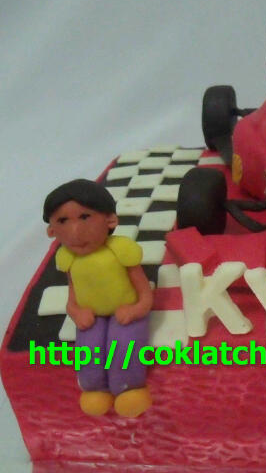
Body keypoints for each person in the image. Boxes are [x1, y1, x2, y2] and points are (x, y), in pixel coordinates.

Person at [43, 179, 153, 417]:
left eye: (85, 217)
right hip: (91, 314)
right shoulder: (67, 258)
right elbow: (72, 295)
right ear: (51, 231)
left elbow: (145, 293)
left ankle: (129, 389)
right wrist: (76, 312)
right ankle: (95, 389)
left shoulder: (120, 250)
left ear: (110, 220)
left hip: (126, 310)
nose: (76, 231)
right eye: (62, 221)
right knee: (89, 350)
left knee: (123, 344)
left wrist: (137, 309)